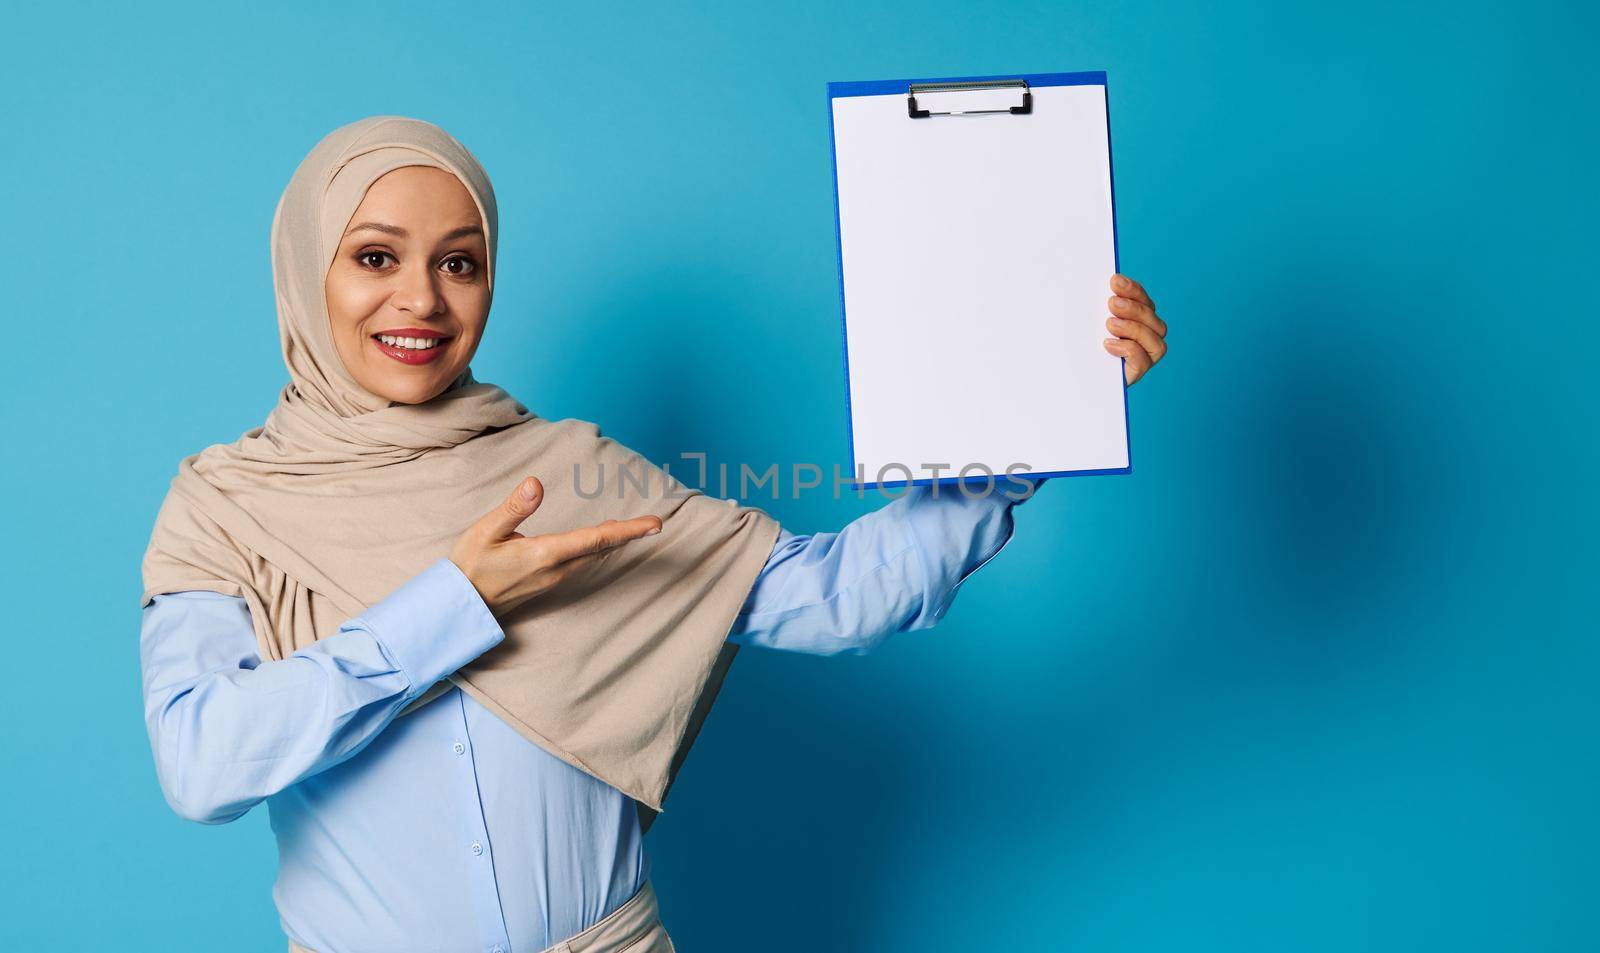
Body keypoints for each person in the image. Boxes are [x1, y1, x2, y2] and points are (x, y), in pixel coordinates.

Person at [137, 116, 1168, 953]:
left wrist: (1041, 410)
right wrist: (454, 604)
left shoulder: (570, 474)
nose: (421, 298)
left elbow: (836, 598)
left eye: (460, 262)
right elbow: (202, 764)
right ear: (307, 270)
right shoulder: (229, 503)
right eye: (375, 257)